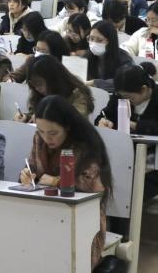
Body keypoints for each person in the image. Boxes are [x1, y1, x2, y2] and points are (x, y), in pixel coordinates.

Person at [20, 95, 112, 270]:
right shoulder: (39, 139)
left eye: (53, 133)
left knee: (63, 261)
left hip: (82, 217)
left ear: (67, 127)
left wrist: (56, 181)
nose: (46, 138)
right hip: (43, 210)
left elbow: (93, 188)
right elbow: (32, 167)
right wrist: (27, 175)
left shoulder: (85, 145)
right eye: (41, 131)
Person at [97, 65, 158, 200]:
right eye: (122, 96)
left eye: (130, 97)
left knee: (126, 191)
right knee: (102, 184)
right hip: (122, 160)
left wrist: (137, 126)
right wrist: (103, 121)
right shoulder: (120, 96)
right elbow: (105, 115)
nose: (126, 101)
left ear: (144, 89)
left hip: (156, 166)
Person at [14, 54, 93, 122]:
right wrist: (26, 117)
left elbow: (77, 120)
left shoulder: (78, 93)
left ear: (53, 80)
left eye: (39, 84)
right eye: (33, 84)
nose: (36, 88)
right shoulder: (39, 92)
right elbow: (34, 114)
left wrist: (46, 117)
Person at [84, 20, 133, 92]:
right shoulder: (88, 55)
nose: (94, 43)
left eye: (99, 40)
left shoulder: (124, 59)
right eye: (91, 39)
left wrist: (95, 83)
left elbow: (124, 81)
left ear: (110, 41)